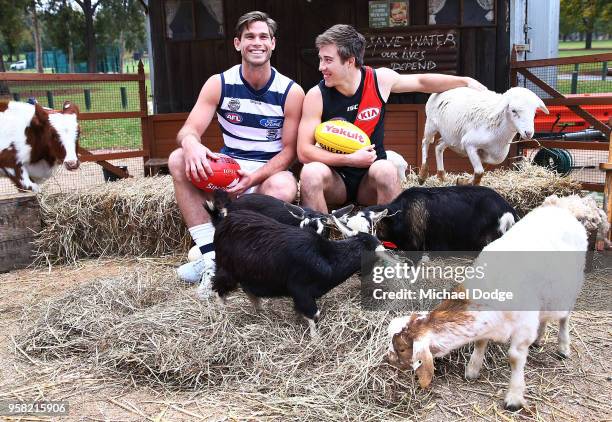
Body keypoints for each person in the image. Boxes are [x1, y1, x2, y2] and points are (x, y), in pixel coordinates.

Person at [169, 11, 304, 283]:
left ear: (273, 44)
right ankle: (210, 259)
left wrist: (254, 178)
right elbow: (188, 130)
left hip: (267, 171)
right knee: (177, 158)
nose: (257, 42)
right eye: (249, 36)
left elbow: (289, 152)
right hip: (229, 168)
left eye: (263, 36)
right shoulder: (218, 83)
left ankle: (241, 257)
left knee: (285, 186)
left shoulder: (291, 91)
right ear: (237, 43)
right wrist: (191, 143)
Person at [297, 24, 487, 213]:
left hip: (369, 180)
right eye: (321, 59)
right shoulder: (316, 95)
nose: (321, 67)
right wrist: (349, 159)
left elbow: (421, 81)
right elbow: (304, 152)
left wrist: (464, 81)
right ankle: (320, 238)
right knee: (310, 173)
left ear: (349, 61)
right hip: (336, 180)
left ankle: (391, 240)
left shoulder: (379, 80)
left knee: (388, 169)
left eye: (328, 60)